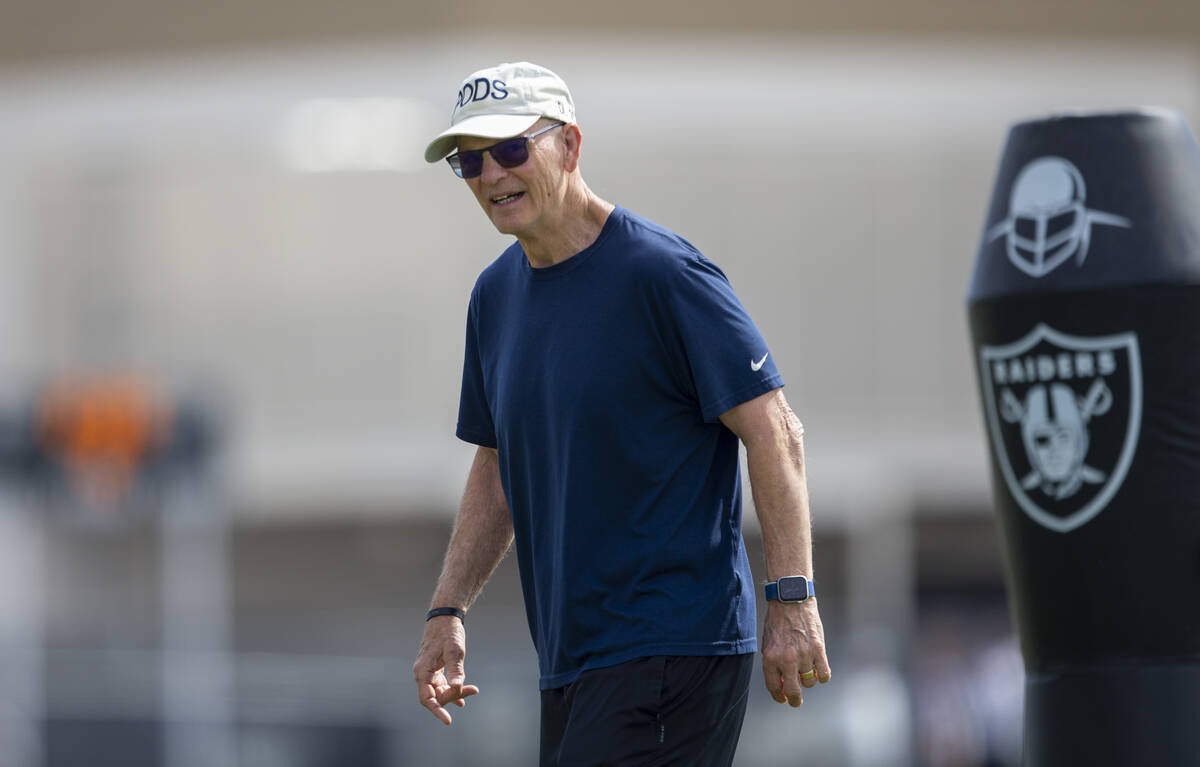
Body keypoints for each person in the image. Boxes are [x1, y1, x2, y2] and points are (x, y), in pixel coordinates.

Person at [413, 61, 830, 766]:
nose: (490, 174)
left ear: (570, 146)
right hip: (573, 660)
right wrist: (446, 609)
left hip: (672, 647)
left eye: (513, 149)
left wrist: (792, 596)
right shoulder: (493, 299)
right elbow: (495, 468)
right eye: (470, 160)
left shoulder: (663, 274)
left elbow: (776, 430)